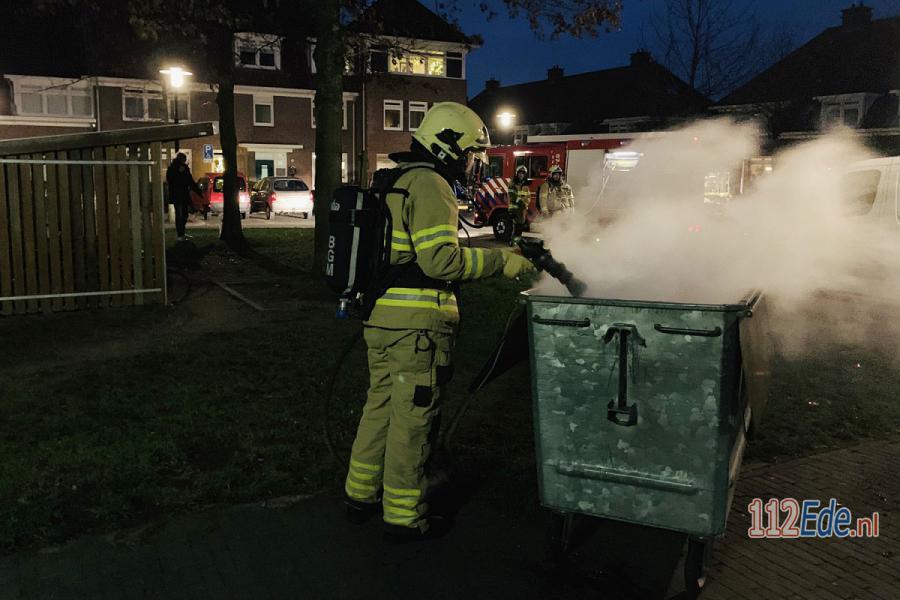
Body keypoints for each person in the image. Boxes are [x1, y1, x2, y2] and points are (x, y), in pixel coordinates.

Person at [344, 102, 535, 542]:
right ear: (447, 146)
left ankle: (359, 495)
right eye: (471, 153)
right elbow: (439, 261)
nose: (474, 164)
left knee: (379, 409)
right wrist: (500, 263)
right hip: (417, 329)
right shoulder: (431, 184)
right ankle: (403, 515)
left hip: (383, 320)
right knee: (413, 421)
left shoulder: (397, 180)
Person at [165, 152, 202, 242]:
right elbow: (170, 180)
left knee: (184, 214)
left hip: (183, 195)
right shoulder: (172, 168)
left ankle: (182, 233)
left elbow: (190, 180)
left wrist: (198, 191)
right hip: (177, 195)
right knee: (179, 214)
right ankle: (180, 234)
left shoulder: (184, 168)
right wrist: (179, 173)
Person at [507, 164, 531, 235]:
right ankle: (513, 242)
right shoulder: (512, 183)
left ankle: (518, 241)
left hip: (522, 208)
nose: (521, 175)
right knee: (516, 227)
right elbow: (512, 196)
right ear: (517, 174)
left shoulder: (525, 185)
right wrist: (511, 210)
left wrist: (525, 204)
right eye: (520, 173)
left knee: (520, 226)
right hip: (515, 208)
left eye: (523, 173)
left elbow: (528, 196)